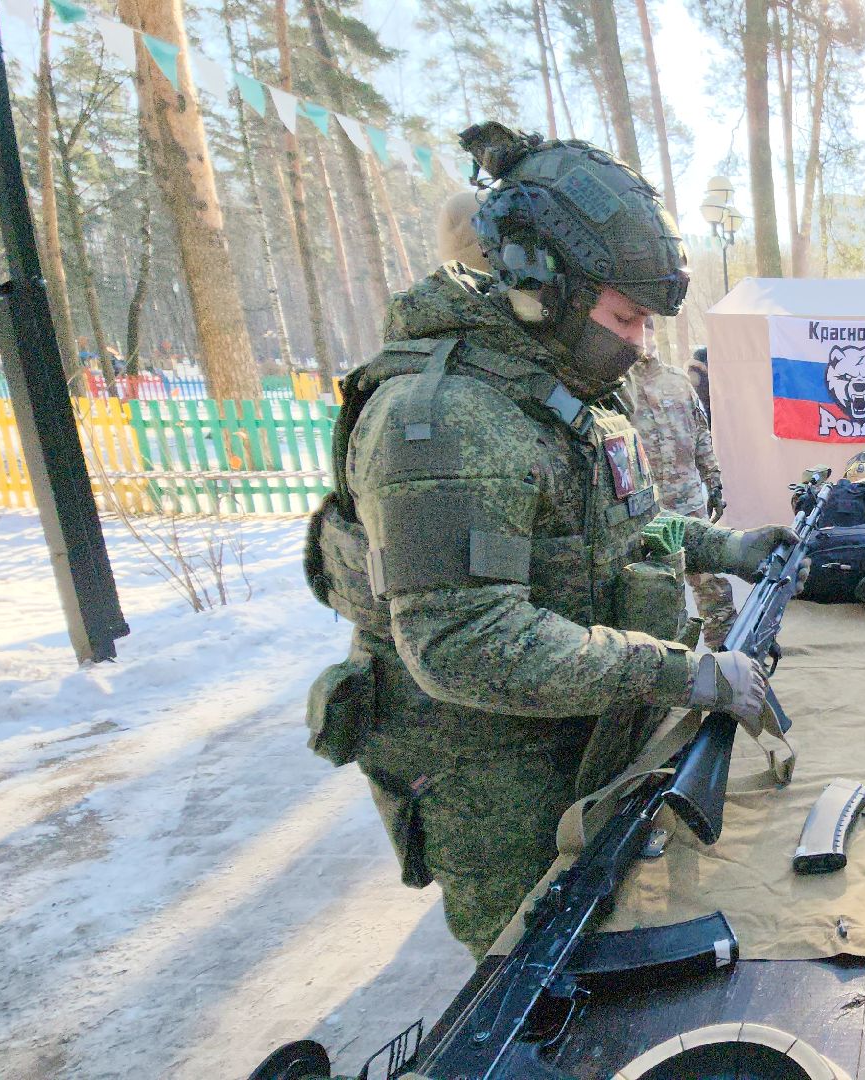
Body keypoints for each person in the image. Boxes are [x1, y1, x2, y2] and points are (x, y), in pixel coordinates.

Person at [303, 123, 803, 957]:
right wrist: (680, 672)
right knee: (535, 977)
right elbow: (465, 640)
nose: (638, 343)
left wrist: (727, 549)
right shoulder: (441, 420)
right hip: (493, 784)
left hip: (587, 740)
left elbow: (625, 533)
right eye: (625, 317)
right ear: (545, 285)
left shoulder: (565, 394)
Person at [630, 347, 738, 648]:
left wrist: (713, 482)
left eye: (648, 327)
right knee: (656, 586)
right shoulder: (620, 388)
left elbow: (701, 435)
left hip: (688, 500)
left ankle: (727, 648)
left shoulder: (678, 381)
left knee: (708, 579)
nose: (644, 337)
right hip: (646, 509)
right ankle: (669, 657)